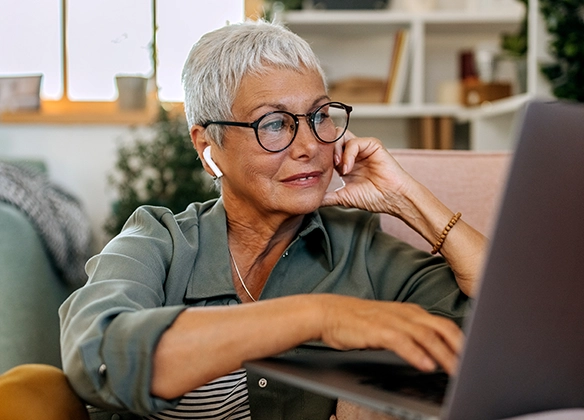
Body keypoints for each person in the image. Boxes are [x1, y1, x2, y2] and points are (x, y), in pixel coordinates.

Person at [59, 19, 487, 419]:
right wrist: (321, 316)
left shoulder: (360, 250)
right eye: (275, 123)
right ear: (209, 145)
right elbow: (98, 357)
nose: (309, 146)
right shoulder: (159, 243)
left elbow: (508, 326)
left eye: (319, 116)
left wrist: (408, 199)